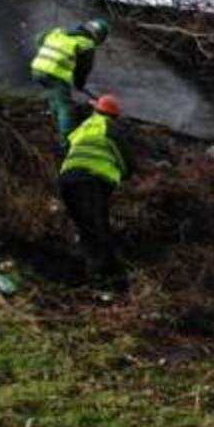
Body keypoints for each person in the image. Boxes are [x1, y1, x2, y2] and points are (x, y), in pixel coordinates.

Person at [59, 93, 134, 290]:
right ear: (114, 116)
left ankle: (82, 271)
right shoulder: (111, 128)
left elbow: (66, 146)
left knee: (86, 228)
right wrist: (124, 174)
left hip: (67, 179)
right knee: (99, 229)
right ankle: (110, 280)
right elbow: (126, 159)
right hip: (90, 180)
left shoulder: (84, 127)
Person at [30, 17, 110, 150]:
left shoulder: (60, 32)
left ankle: (57, 129)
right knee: (66, 107)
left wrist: (44, 53)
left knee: (55, 101)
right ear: (99, 36)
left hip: (38, 69)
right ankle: (66, 143)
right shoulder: (87, 44)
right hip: (55, 73)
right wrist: (79, 83)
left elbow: (39, 37)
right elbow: (83, 68)